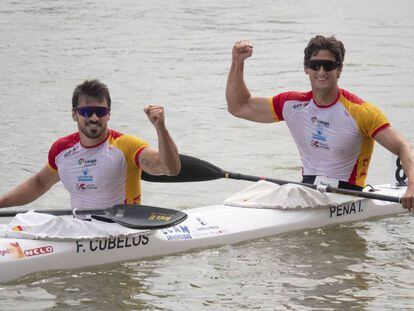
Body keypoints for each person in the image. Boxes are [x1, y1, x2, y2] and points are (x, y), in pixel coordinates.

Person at [226, 35, 414, 210]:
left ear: (339, 69)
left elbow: (402, 147)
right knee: (261, 187)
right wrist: (237, 62)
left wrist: (412, 187)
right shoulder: (292, 105)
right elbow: (238, 106)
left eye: (328, 65)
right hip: (308, 191)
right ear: (306, 67)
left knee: (290, 190)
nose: (321, 71)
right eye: (315, 65)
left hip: (345, 195)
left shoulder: (361, 112)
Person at [0, 79, 181, 217]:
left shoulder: (126, 146)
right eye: (87, 112)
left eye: (101, 112)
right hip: (81, 230)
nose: (94, 117)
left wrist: (160, 128)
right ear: (74, 114)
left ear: (108, 115)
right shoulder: (61, 150)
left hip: (122, 228)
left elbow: (170, 169)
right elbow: (38, 184)